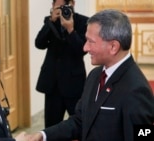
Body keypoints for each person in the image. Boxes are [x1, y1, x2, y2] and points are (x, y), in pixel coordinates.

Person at [28, 9, 154, 141]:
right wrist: (42, 135)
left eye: (90, 41)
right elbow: (80, 121)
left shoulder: (136, 90)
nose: (85, 48)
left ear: (113, 47)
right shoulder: (94, 75)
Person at [35, 0, 88, 128]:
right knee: (51, 126)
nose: (61, 10)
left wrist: (70, 30)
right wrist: (50, 23)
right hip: (52, 83)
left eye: (64, 7)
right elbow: (39, 44)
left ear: (72, 4)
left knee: (80, 124)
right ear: (52, 6)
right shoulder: (50, 21)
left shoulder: (83, 22)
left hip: (74, 83)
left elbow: (82, 50)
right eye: (57, 7)